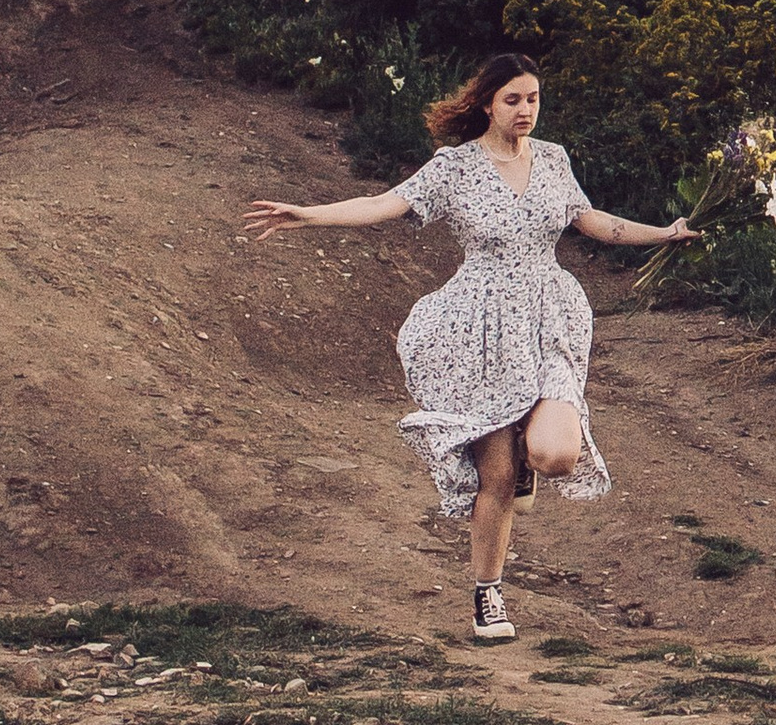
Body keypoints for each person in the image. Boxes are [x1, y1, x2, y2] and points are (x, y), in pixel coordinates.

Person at [240, 55, 696, 644]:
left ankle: (530, 457)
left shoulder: (554, 159)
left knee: (557, 455)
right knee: (496, 477)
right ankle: (488, 594)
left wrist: (664, 233)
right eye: (513, 100)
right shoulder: (453, 168)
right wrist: (307, 216)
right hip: (478, 331)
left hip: (550, 320)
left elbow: (592, 221)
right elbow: (383, 203)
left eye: (533, 98)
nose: (525, 110)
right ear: (487, 103)